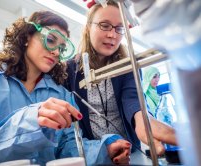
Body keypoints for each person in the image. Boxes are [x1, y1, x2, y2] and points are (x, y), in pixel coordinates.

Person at [0, 11, 131, 165]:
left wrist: (104, 149)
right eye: (50, 40)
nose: (56, 52)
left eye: (62, 48)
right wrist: (31, 120)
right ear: (27, 37)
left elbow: (69, 147)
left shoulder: (63, 94)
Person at [65, 0, 177, 156]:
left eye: (119, 28)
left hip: (129, 153)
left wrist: (145, 121)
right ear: (89, 27)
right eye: (104, 25)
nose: (112, 35)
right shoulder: (69, 71)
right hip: (91, 155)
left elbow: (133, 101)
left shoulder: (128, 67)